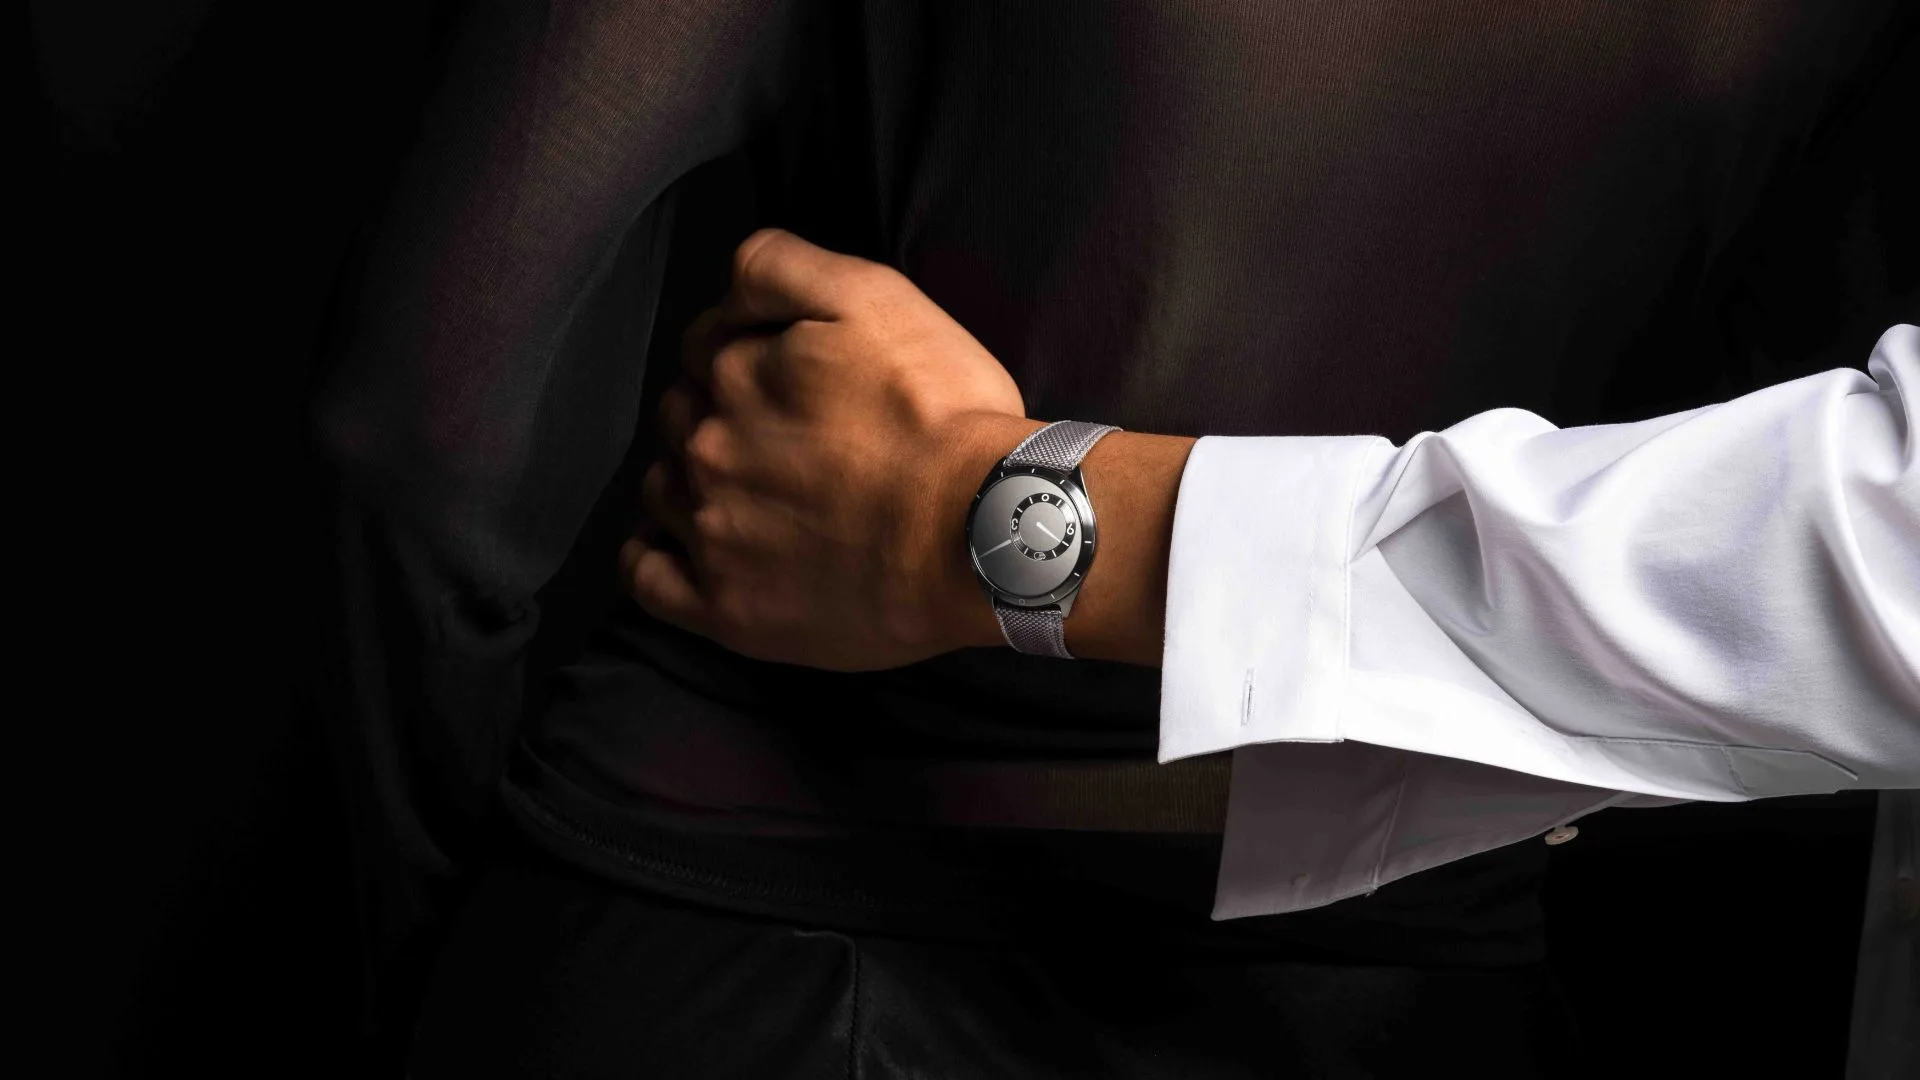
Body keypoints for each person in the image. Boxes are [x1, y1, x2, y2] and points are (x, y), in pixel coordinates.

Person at [308, 1, 1918, 1075]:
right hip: (1403, 995)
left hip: (723, 933)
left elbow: (426, 429)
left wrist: (449, 964)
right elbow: (1786, 533)